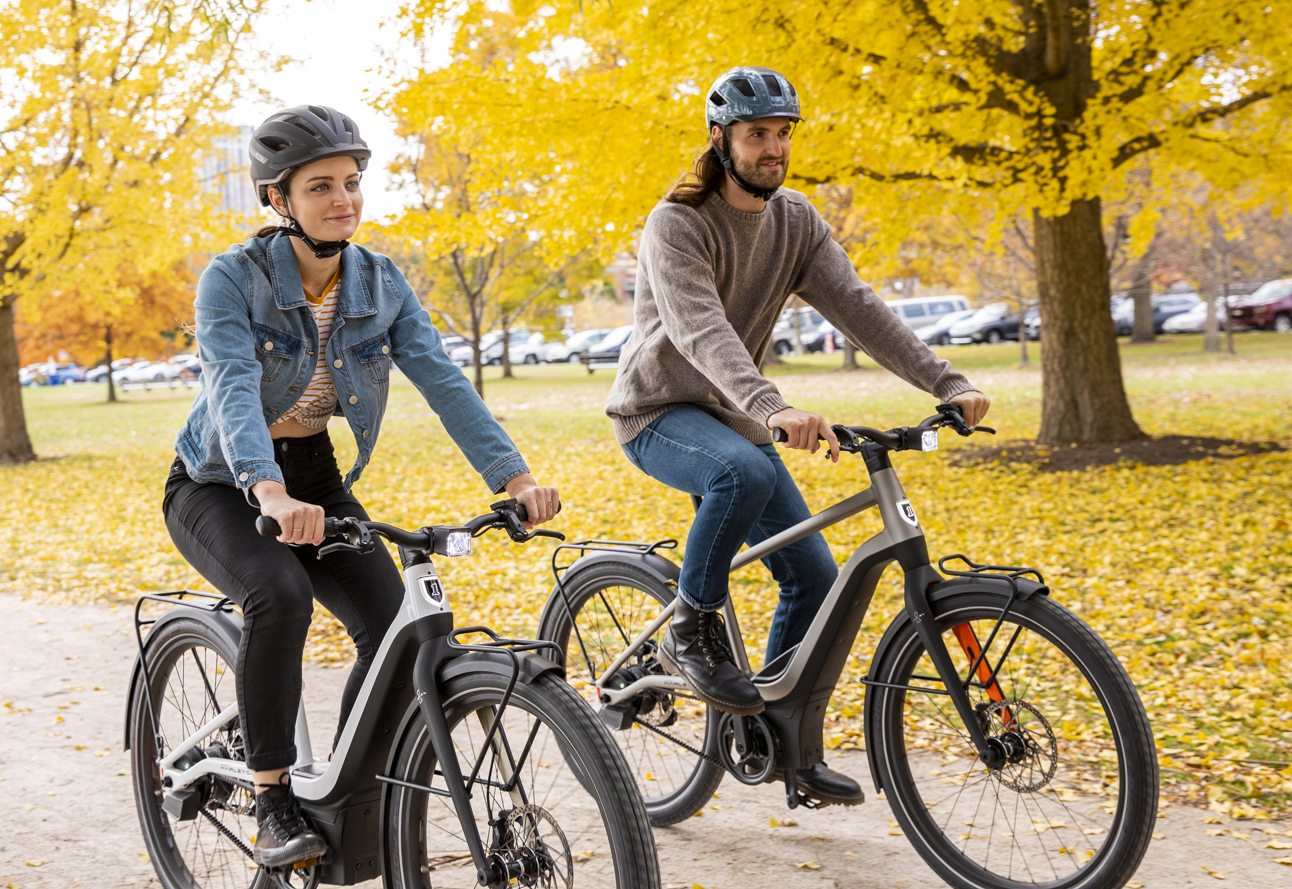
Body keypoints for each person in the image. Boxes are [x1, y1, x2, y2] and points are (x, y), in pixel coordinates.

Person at [162, 105, 561, 866]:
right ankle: (275, 799)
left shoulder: (380, 282)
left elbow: (443, 381)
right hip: (218, 481)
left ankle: (346, 788)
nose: (343, 198)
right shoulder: (233, 279)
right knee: (278, 596)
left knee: (389, 627)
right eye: (320, 187)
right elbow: (232, 386)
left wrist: (515, 477)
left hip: (314, 474)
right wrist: (266, 490)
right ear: (278, 202)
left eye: (351, 182)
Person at [604, 67, 989, 806]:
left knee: (815, 577)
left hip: (736, 415)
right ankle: (691, 625)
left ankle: (777, 741)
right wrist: (770, 405)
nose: (774, 148)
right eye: (757, 135)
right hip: (659, 412)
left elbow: (859, 307)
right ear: (721, 140)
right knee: (741, 475)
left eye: (783, 134)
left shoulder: (797, 220)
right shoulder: (676, 223)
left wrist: (947, 382)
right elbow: (699, 330)